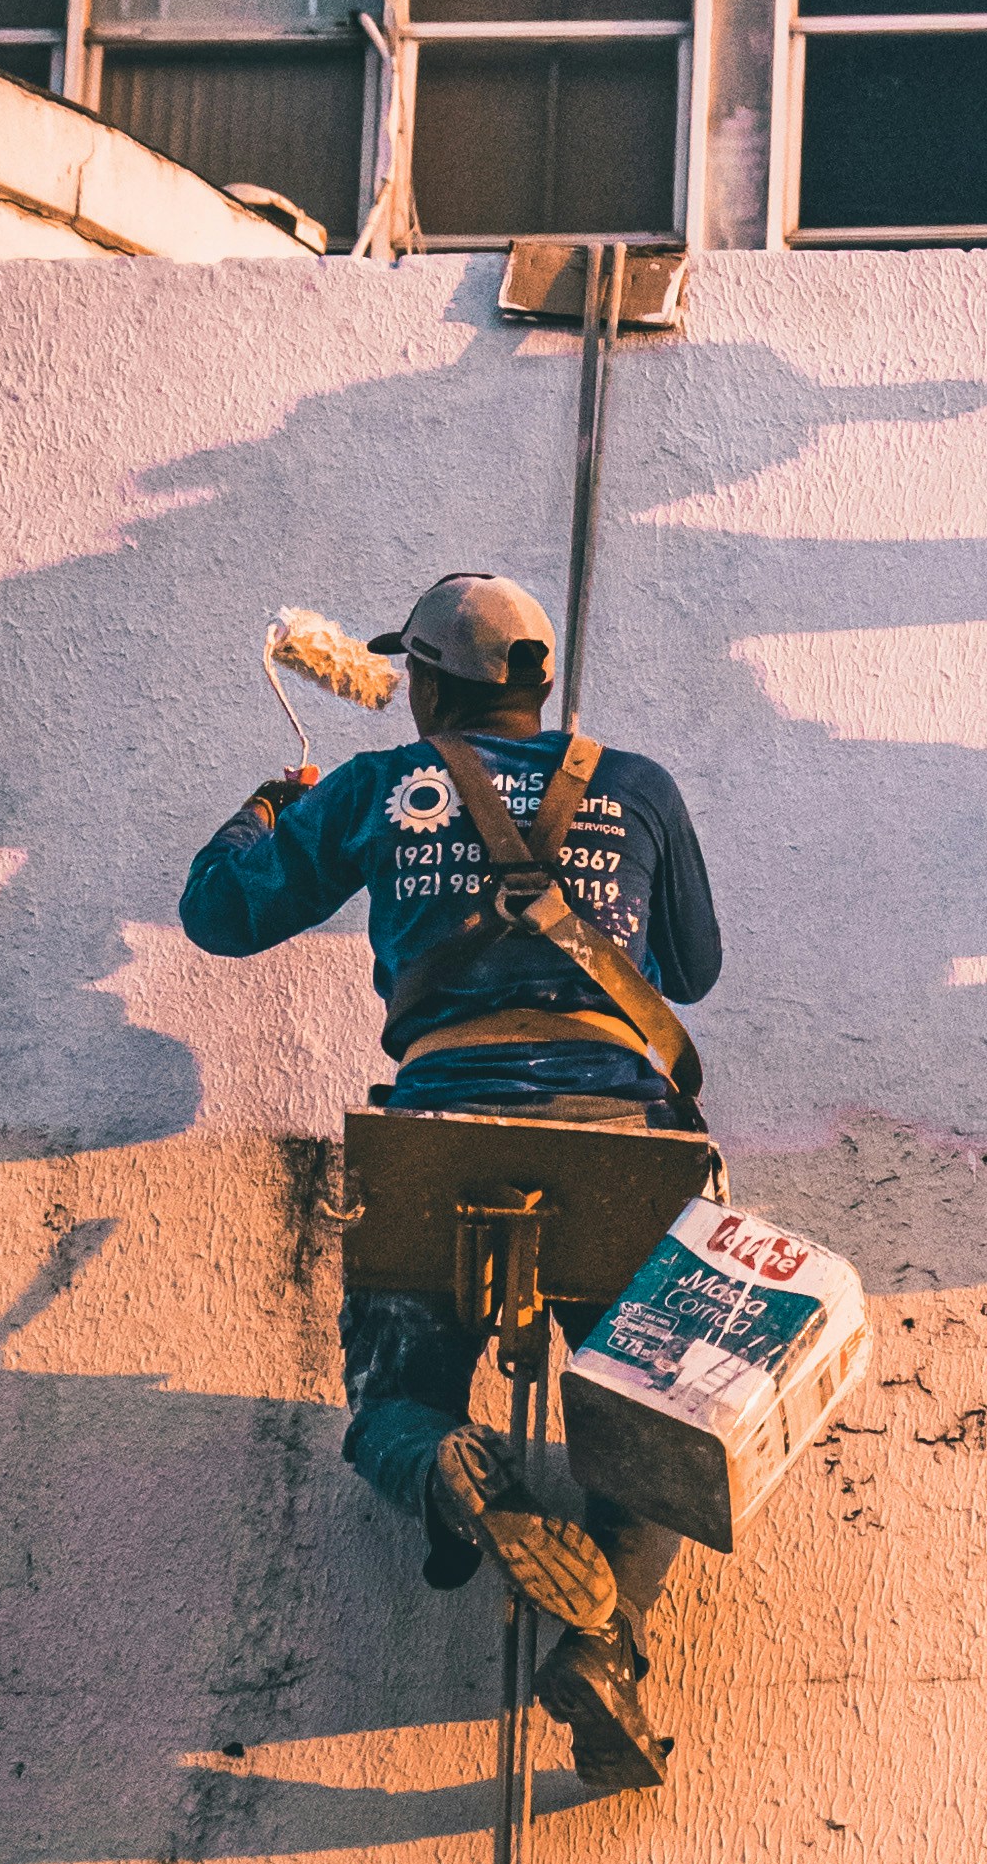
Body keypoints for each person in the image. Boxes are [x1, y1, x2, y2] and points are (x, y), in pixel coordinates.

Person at [178, 568, 720, 1794]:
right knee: (666, 1419)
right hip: (618, 1143)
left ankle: (440, 1463)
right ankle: (600, 1647)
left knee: (390, 1400)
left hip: (439, 1133)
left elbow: (219, 914)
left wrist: (268, 812)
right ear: (535, 686)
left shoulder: (378, 788)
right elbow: (692, 970)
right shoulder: (636, 788)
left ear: (420, 685)